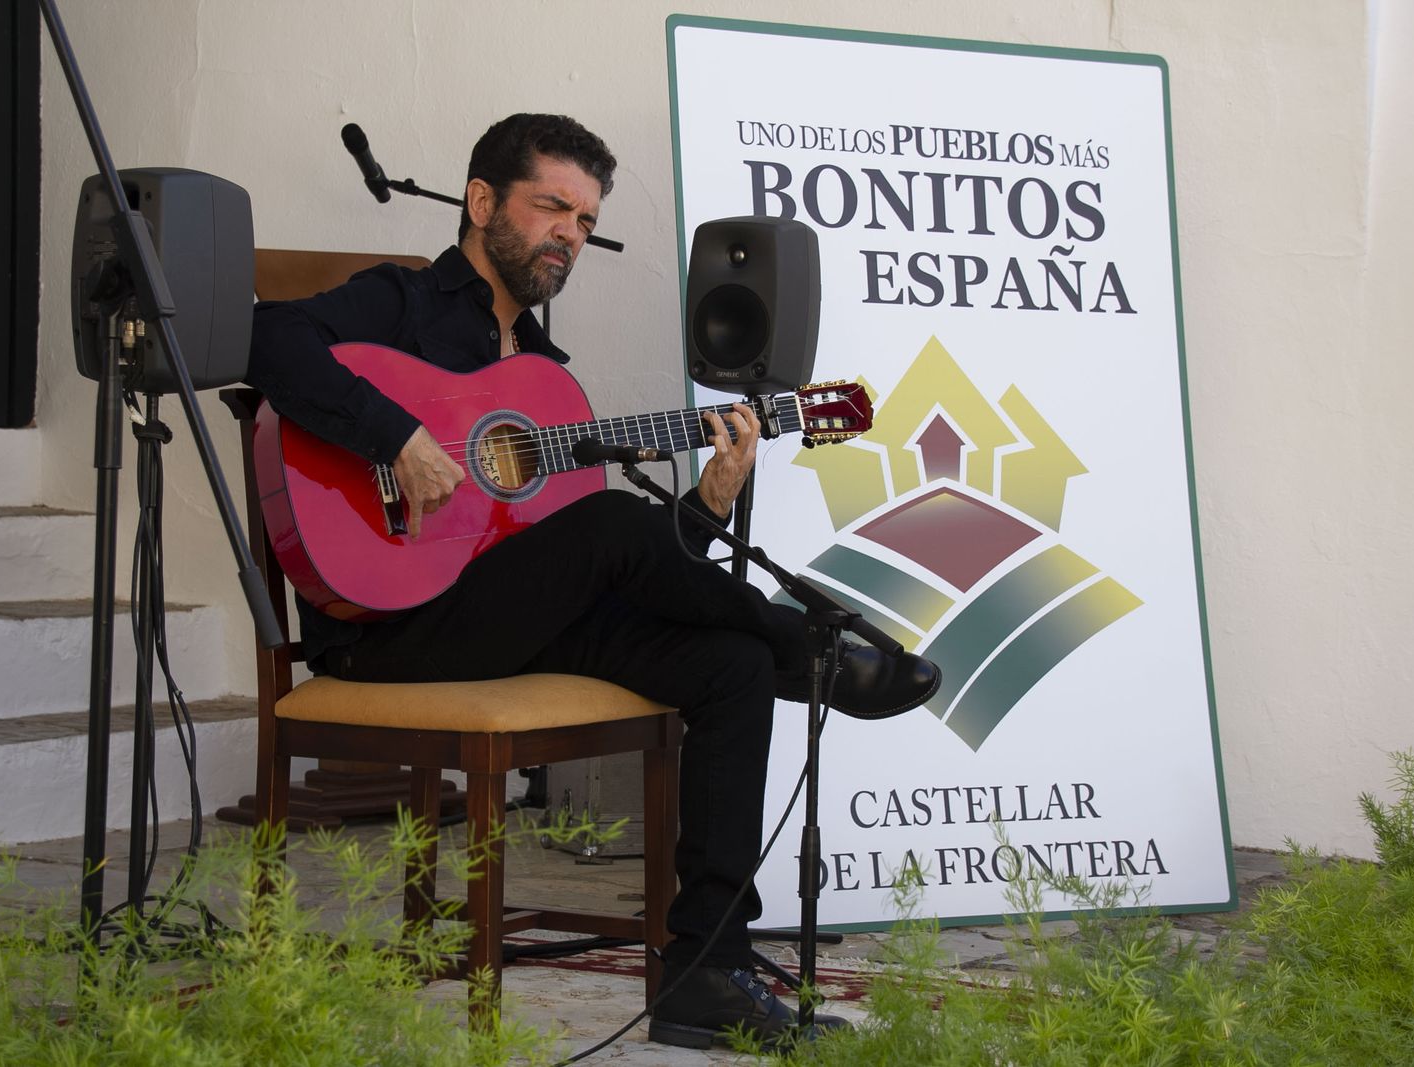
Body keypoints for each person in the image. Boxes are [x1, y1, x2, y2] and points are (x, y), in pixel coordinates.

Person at [246, 113, 940, 1049]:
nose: (570, 233)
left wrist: (708, 502)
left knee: (727, 662)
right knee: (618, 523)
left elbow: (625, 572)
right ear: (482, 202)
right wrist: (398, 437)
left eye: (584, 218)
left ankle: (707, 971)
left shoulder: (545, 380)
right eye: (552, 208)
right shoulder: (398, 304)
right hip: (386, 630)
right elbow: (264, 342)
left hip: (506, 618)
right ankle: (811, 646)